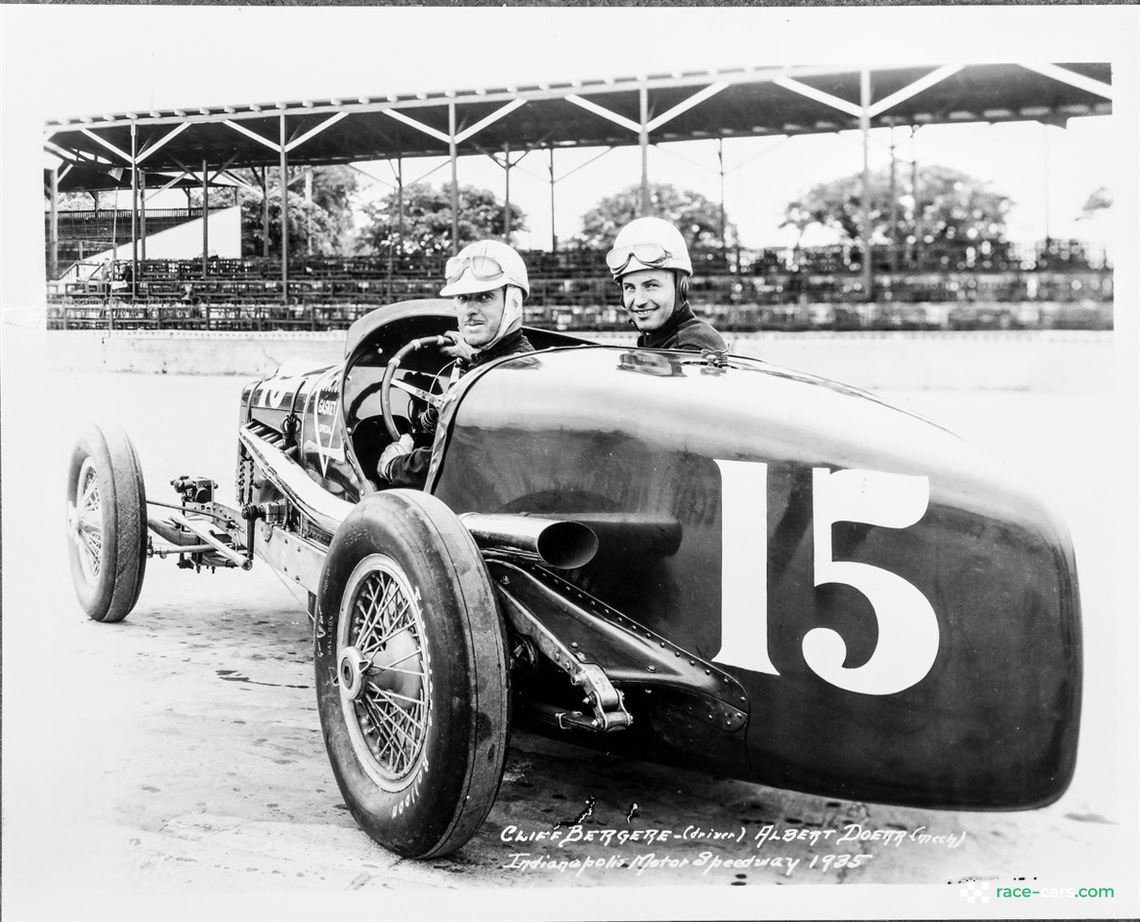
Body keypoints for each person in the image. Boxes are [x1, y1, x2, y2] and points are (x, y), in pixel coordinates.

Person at [377, 239, 535, 488]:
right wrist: (475, 355)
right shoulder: (514, 361)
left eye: (484, 297)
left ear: (514, 301)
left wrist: (396, 465)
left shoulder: (505, 378)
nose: (470, 310)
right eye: (463, 298)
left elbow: (457, 458)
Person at [606, 216, 726, 352]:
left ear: (681, 288)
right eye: (629, 288)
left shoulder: (690, 346)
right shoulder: (661, 339)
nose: (639, 301)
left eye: (651, 286)